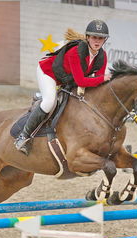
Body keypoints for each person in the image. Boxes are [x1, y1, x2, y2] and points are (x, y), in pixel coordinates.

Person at [15, 19, 112, 155]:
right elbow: (82, 81)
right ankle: (23, 136)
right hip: (48, 72)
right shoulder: (75, 52)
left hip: (67, 78)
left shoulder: (102, 56)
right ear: (88, 38)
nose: (97, 41)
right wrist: (103, 79)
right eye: (94, 37)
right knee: (49, 102)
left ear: (105, 40)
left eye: (101, 38)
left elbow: (97, 81)